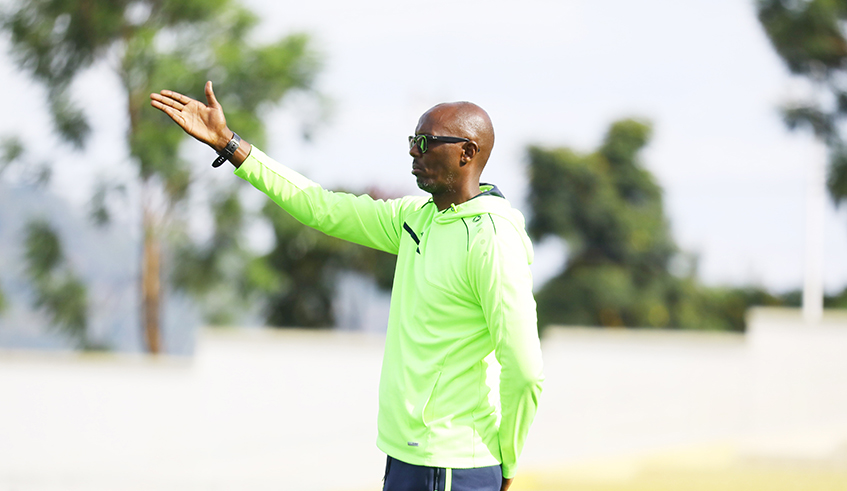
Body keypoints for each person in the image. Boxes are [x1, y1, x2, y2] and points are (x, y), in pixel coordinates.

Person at [150, 82, 544, 491]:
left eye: (426, 142)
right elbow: (319, 206)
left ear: (467, 152)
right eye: (413, 140)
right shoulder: (415, 218)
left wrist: (507, 460)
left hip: (452, 466)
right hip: (405, 456)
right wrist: (229, 144)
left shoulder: (492, 239)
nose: (413, 151)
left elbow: (526, 370)